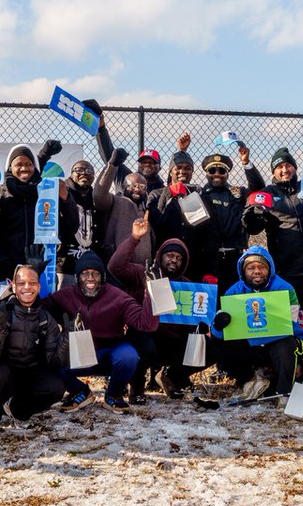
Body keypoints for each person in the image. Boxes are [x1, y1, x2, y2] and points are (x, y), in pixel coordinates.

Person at [45, 251, 159, 413]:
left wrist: (152, 291)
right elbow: (38, 310)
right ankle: (80, 391)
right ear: (77, 277)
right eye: (85, 273)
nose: (90, 277)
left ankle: (113, 394)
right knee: (49, 359)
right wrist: (36, 275)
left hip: (110, 353)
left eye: (95, 273)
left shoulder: (118, 297)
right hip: (78, 354)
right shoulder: (65, 295)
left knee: (129, 356)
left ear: (103, 277)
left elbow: (147, 324)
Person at [109, 218, 206, 400]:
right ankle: (136, 384)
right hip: (143, 334)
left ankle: (172, 376)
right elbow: (115, 266)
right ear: (160, 256)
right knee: (145, 344)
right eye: (170, 256)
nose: (174, 260)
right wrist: (134, 238)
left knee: (209, 347)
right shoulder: (142, 272)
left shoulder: (187, 285)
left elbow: (193, 321)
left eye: (179, 258)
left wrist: (200, 325)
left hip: (171, 340)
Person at [241, 147, 303, 322]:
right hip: (287, 271)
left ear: (296, 168)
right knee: (291, 320)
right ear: (274, 171)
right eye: (279, 167)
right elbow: (254, 228)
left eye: (288, 165)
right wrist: (251, 216)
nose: (285, 170)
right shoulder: (267, 193)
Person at [0, 263, 68, 428]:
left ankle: (17, 410)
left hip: (30, 373)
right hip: (1, 376)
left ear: (39, 287)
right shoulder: (0, 311)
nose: (27, 287)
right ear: (13, 286)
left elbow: (54, 361)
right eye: (21, 283)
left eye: (32, 283)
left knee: (56, 387)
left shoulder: (45, 318)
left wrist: (66, 340)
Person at [210, 247, 303, 401]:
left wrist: (258, 335)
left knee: (285, 344)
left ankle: (284, 392)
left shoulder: (285, 288)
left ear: (269, 269)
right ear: (243, 271)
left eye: (262, 267)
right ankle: (250, 380)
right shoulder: (233, 292)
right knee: (219, 342)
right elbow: (219, 332)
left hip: (278, 341)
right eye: (251, 268)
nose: (257, 271)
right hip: (251, 345)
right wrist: (219, 325)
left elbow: (290, 324)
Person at [0, 143, 78, 281]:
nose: (24, 168)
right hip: (8, 270)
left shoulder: (47, 192)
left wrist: (66, 199)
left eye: (29, 164)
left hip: (42, 268)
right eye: (18, 164)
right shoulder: (1, 194)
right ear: (10, 168)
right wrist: (4, 264)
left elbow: (71, 227)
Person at [196, 149, 264, 292]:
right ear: (206, 173)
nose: (216, 174)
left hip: (234, 257)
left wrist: (246, 163)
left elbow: (259, 189)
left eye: (221, 170)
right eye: (212, 170)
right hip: (207, 258)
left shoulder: (238, 194)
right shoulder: (199, 195)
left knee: (233, 303)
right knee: (208, 304)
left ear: (227, 173)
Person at [147, 151, 207, 280]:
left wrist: (210, 270)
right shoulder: (156, 194)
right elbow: (156, 224)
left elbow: (208, 231)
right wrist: (169, 194)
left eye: (188, 168)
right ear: (170, 171)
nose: (183, 171)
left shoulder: (199, 195)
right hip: (165, 261)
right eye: (178, 168)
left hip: (193, 262)